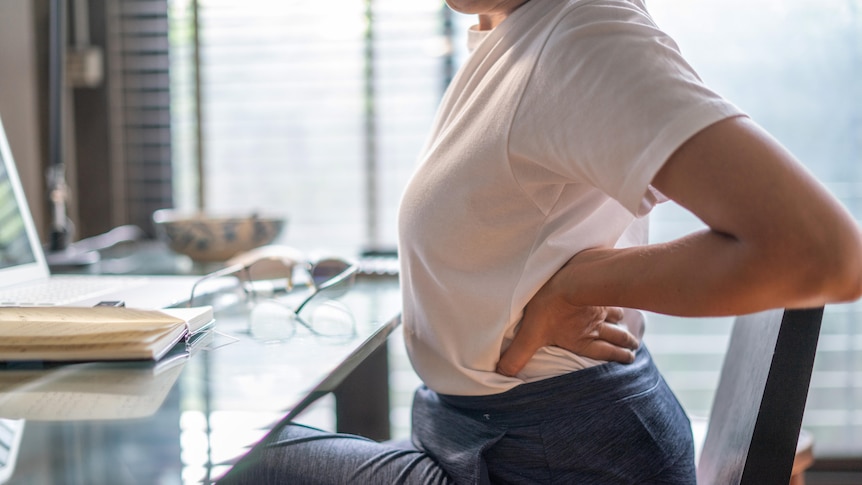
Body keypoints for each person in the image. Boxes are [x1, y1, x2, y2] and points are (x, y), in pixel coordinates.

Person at [220, 0, 862, 483]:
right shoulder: (523, 36)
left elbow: (823, 253)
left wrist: (580, 284)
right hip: (505, 441)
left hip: (554, 457)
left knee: (227, 463)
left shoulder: (583, 39)